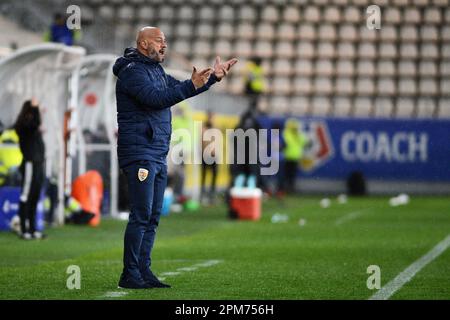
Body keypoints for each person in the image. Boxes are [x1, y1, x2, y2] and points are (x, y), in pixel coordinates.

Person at [112, 26, 237, 289]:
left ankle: (143, 271)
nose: (164, 45)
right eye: (159, 41)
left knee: (153, 215)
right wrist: (191, 85)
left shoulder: (155, 70)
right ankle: (129, 274)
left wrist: (212, 78)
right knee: (141, 213)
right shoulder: (132, 72)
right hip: (139, 152)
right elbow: (157, 99)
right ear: (144, 44)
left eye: (165, 41)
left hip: (156, 151)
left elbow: (180, 88)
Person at [14, 99, 46, 240]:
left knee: (34, 196)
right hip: (29, 164)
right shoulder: (23, 125)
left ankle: (32, 229)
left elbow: (37, 124)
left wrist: (37, 110)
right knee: (26, 196)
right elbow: (35, 124)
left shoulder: (32, 127)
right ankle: (23, 229)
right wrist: (35, 109)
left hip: (38, 165)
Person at [280, 118, 308, 194]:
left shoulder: (296, 134)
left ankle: (290, 188)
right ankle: (285, 189)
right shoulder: (286, 133)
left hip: (295, 157)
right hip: (287, 157)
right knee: (287, 175)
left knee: (291, 175)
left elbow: (305, 142)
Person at [200, 111, 218, 204]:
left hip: (214, 155)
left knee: (214, 175)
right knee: (204, 174)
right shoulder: (204, 127)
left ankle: (212, 194)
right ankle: (202, 194)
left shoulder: (214, 127)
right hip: (205, 154)